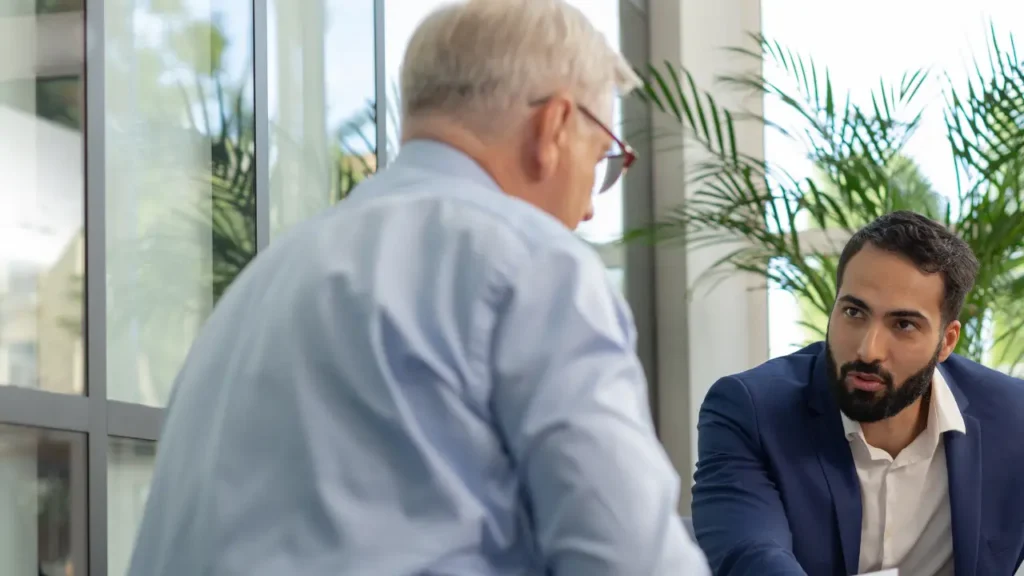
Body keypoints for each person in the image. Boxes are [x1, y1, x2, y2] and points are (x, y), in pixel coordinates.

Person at [126, 1, 709, 575]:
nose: (586, 210)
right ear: (553, 125)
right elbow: (632, 557)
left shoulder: (260, 284)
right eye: (604, 156)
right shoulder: (532, 264)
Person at [692, 210, 1024, 575]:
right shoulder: (750, 411)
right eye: (854, 312)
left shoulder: (1013, 419)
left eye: (903, 324)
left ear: (946, 342)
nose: (868, 350)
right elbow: (751, 554)